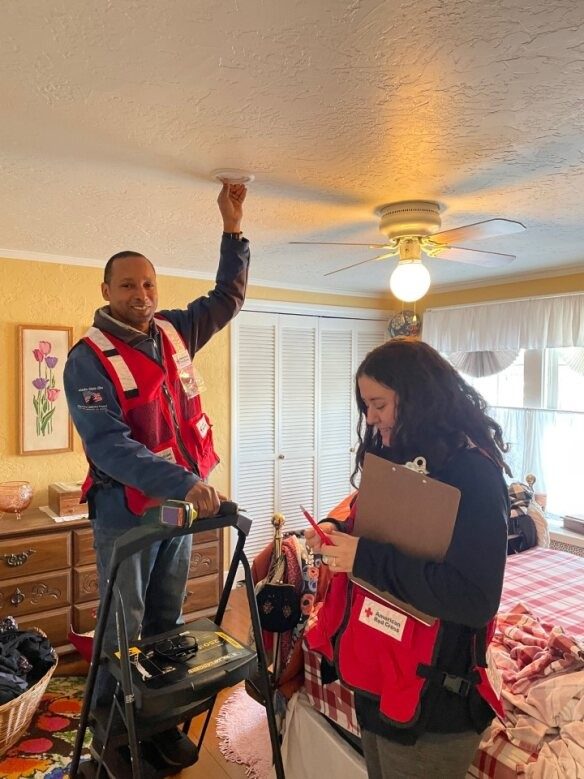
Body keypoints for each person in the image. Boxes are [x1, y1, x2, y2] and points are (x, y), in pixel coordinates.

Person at [63, 182, 248, 769]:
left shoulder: (173, 331)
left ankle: (158, 721)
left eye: (148, 284)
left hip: (176, 506)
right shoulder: (86, 359)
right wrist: (184, 483)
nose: (141, 294)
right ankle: (115, 737)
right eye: (127, 285)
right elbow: (109, 447)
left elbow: (227, 297)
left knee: (167, 617)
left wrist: (233, 227)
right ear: (105, 292)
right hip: (127, 509)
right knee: (126, 623)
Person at [304, 338, 510, 779]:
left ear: (417, 397)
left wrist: (364, 558)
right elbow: (374, 515)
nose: (370, 417)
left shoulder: (472, 473)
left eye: (378, 403)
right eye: (366, 404)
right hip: (378, 673)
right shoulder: (394, 448)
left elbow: (474, 600)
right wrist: (337, 529)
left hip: (435, 699)